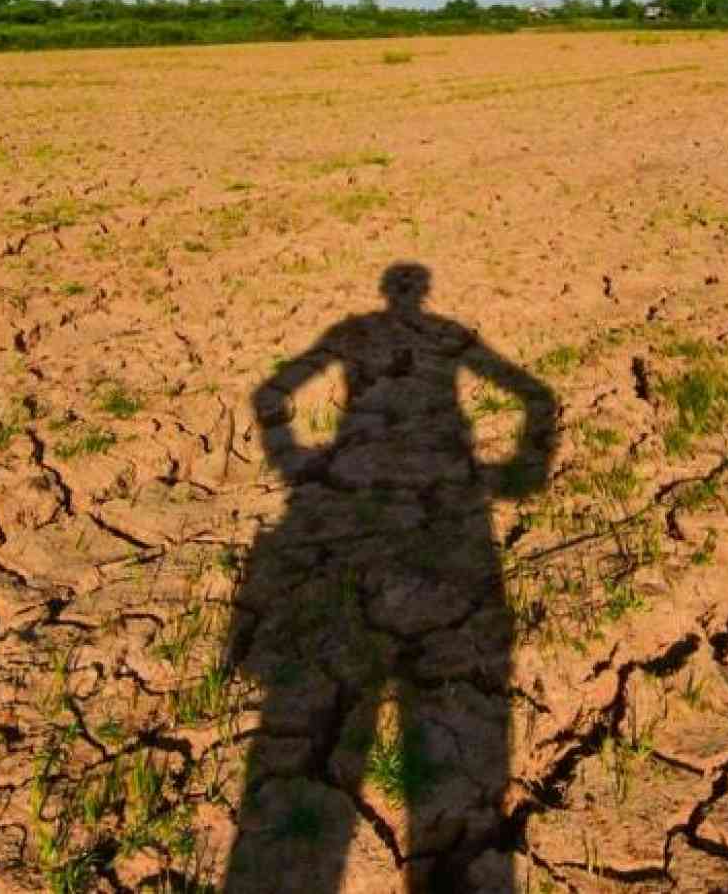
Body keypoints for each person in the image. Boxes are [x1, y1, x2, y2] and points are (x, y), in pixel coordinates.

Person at [224, 263, 558, 892]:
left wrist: (298, 465)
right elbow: (534, 395)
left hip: (380, 504)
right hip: (444, 509)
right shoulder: (444, 333)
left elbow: (273, 395)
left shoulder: (358, 331)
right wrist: (520, 470)